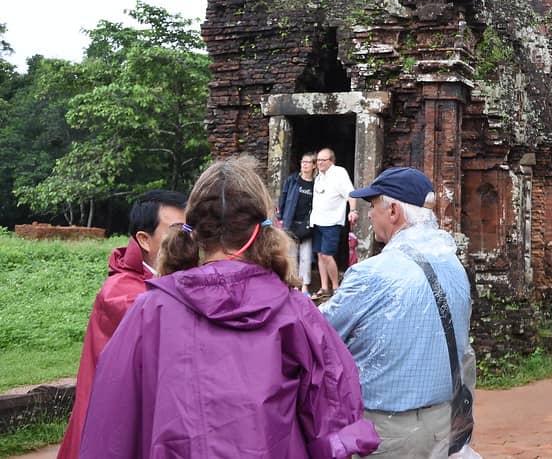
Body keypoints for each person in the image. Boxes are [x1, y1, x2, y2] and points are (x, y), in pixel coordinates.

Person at [79, 155, 380, 459]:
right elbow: (333, 423)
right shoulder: (297, 313)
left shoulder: (150, 310)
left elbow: (112, 426)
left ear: (193, 229)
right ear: (258, 230)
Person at [321, 167, 473, 459]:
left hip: (388, 429)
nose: (369, 215)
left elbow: (319, 333)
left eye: (373, 206)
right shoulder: (455, 267)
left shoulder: (372, 274)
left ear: (393, 211)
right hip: (445, 421)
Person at [57, 190, 186, 459]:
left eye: (189, 228)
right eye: (177, 230)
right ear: (144, 239)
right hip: (114, 425)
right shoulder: (122, 293)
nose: (188, 239)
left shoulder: (165, 281)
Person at [310, 148, 358, 298]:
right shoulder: (318, 176)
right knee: (319, 254)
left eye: (322, 160)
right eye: (318, 160)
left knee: (327, 254)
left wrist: (353, 211)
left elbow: (350, 194)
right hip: (317, 221)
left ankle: (336, 288)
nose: (319, 163)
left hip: (331, 222)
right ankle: (324, 287)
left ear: (331, 161)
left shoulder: (339, 173)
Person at [278, 152, 317, 294]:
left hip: (306, 224)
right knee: (291, 255)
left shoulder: (317, 183)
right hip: (291, 221)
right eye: (303, 162)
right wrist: (280, 215)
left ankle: (305, 286)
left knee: (306, 257)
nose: (304, 165)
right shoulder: (292, 180)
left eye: (307, 162)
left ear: (314, 165)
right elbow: (283, 197)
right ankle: (293, 284)